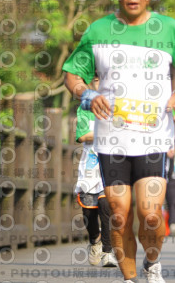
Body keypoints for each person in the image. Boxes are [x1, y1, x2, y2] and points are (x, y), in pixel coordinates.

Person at [63, 0, 175, 283]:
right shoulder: (98, 30)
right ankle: (131, 279)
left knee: (150, 215)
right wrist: (87, 94)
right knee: (119, 217)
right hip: (112, 139)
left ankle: (153, 262)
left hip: (153, 136)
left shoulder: (168, 29)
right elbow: (72, 73)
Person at [74, 78, 118, 268]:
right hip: (90, 167)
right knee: (88, 212)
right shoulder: (84, 108)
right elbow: (82, 136)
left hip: (111, 166)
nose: (100, 82)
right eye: (96, 79)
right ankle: (95, 240)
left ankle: (108, 252)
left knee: (106, 205)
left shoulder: (117, 106)